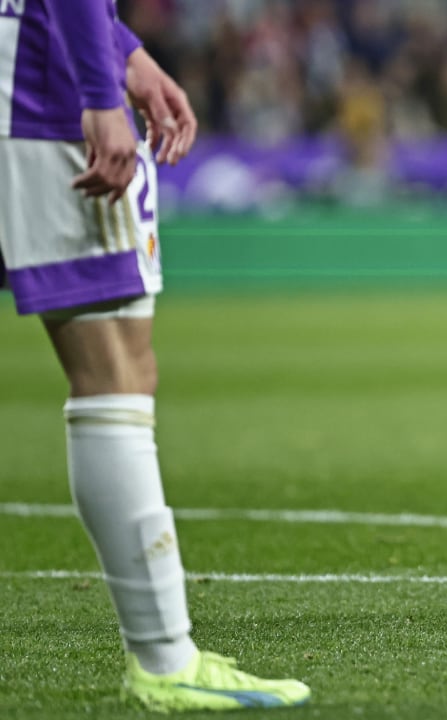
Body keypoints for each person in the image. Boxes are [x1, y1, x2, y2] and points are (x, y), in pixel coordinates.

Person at [0, 0, 311, 710]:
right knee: (116, 371)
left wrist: (127, 55)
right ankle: (167, 659)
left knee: (116, 368)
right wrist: (99, 91)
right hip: (39, 93)